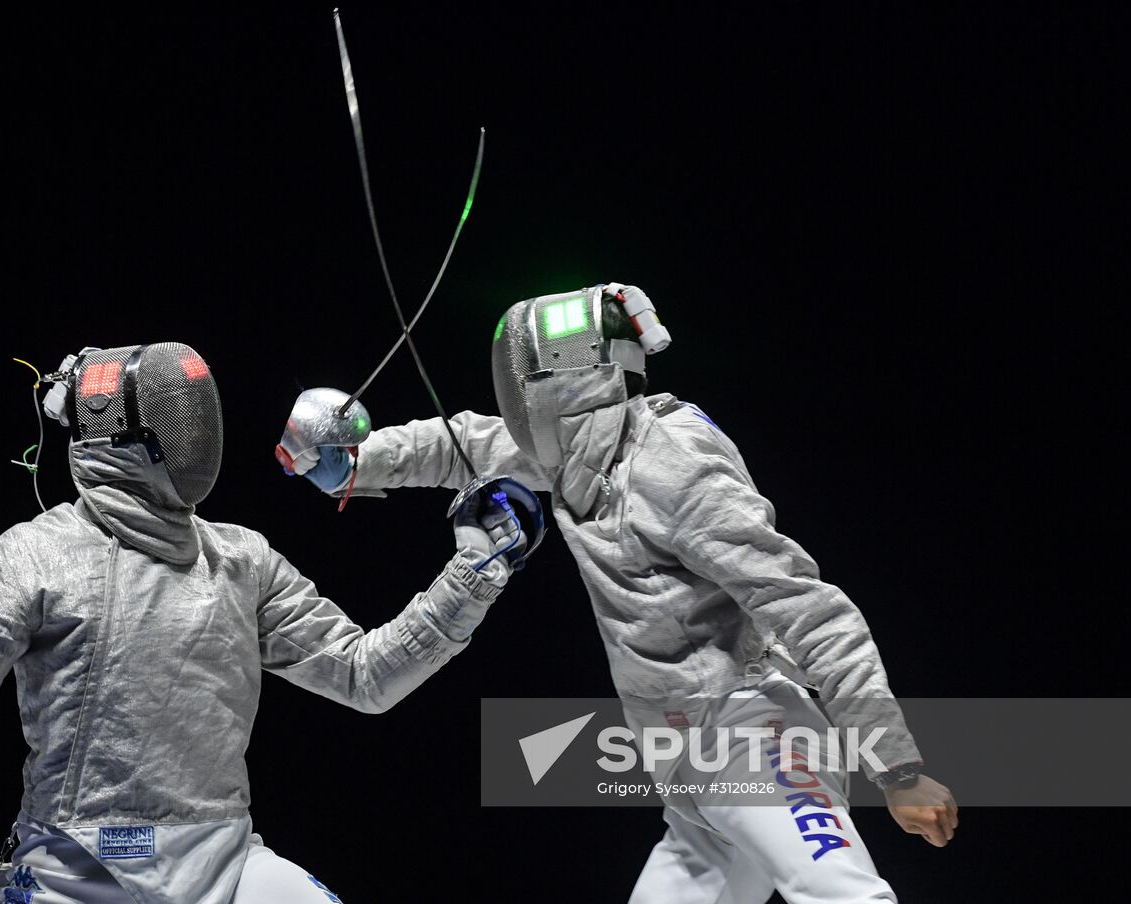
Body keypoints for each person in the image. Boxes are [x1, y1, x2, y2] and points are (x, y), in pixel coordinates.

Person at [285, 285, 958, 903]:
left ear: (559, 383)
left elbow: (809, 608)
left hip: (758, 739)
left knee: (848, 896)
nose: (513, 398)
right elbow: (460, 443)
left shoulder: (672, 461)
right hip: (691, 776)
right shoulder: (575, 454)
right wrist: (347, 462)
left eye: (523, 377)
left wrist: (896, 769)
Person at [0, 341, 521, 904]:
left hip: (221, 863)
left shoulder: (241, 561)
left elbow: (362, 674)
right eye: (179, 419)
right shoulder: (33, 556)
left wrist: (474, 572)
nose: (198, 435)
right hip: (75, 870)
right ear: (130, 438)